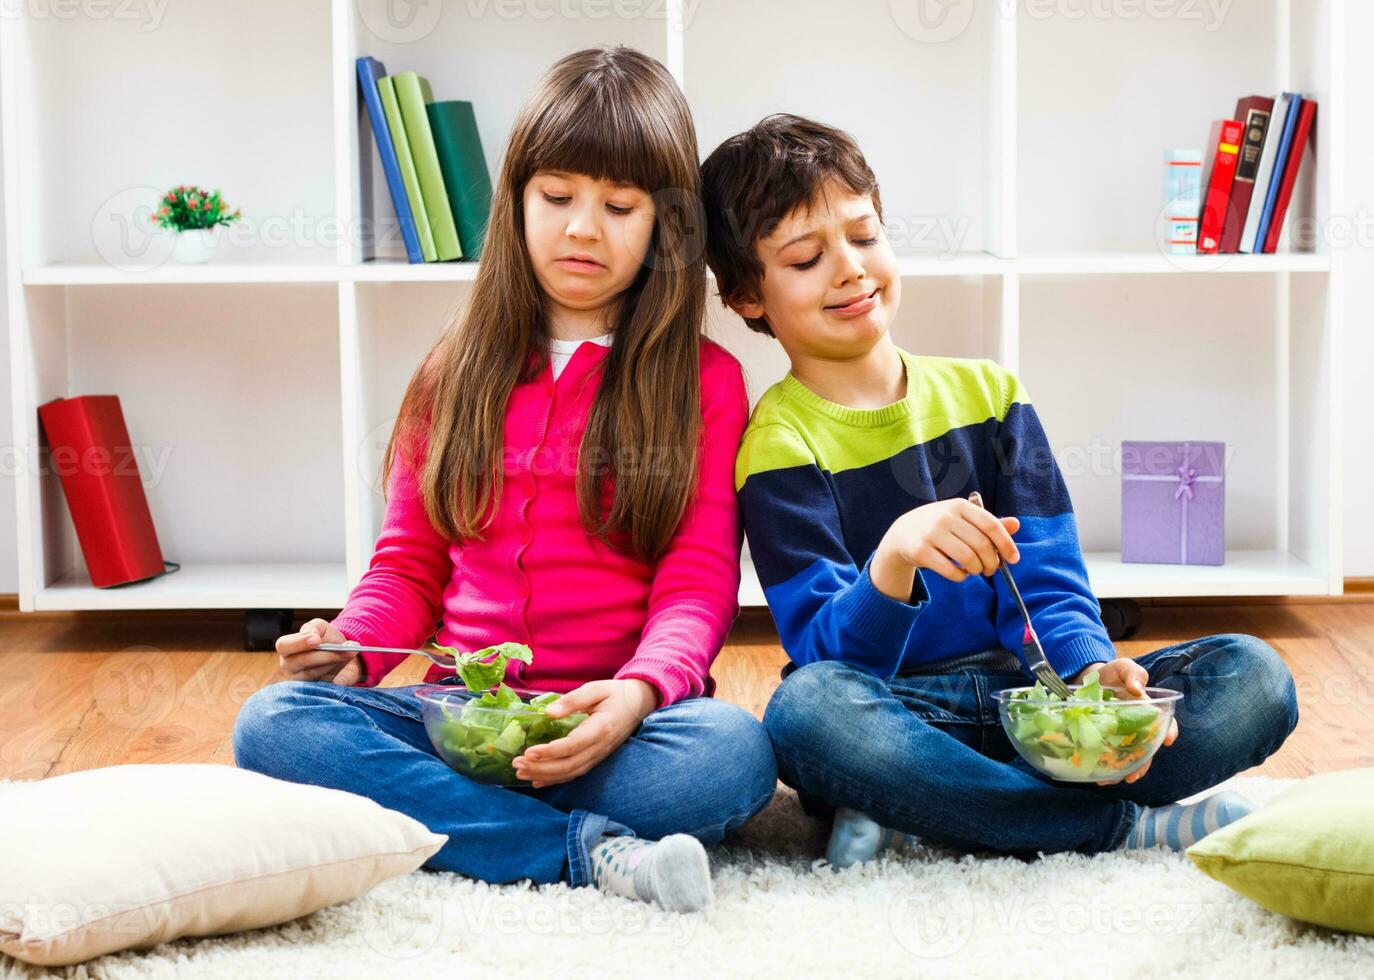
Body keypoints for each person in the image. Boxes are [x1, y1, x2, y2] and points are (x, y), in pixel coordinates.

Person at [233, 47, 776, 914]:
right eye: (557, 197)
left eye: (619, 206)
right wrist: (352, 644)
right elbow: (408, 564)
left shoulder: (705, 382)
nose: (582, 229)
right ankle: (582, 849)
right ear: (517, 200)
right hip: (462, 722)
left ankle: (448, 825)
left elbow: (697, 580)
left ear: (665, 225)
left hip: (617, 725)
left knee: (730, 755)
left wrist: (634, 695)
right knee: (273, 726)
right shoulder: (455, 367)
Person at [700, 113, 1297, 869]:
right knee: (805, 715)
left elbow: (1051, 581)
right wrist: (895, 560)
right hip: (901, 715)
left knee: (1255, 678)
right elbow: (824, 656)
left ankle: (946, 812)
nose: (850, 268)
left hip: (1034, 702)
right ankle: (1098, 826)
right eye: (806, 258)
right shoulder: (778, 446)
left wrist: (1091, 676)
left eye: (864, 235)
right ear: (747, 297)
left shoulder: (991, 394)